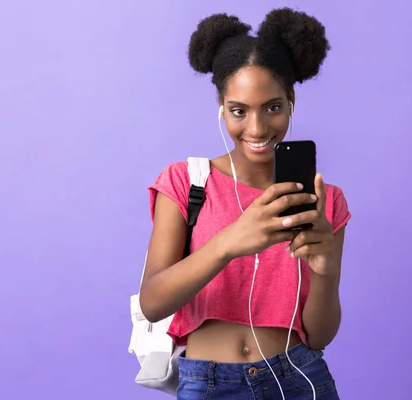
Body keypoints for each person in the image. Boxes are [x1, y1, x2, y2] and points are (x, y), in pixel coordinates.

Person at [139, 7, 351, 400]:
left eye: (272, 107)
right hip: (208, 384)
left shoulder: (325, 200)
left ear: (291, 101)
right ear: (222, 105)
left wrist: (324, 272)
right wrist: (230, 241)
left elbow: (320, 334)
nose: (255, 129)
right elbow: (153, 303)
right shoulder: (186, 182)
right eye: (239, 111)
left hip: (300, 378)